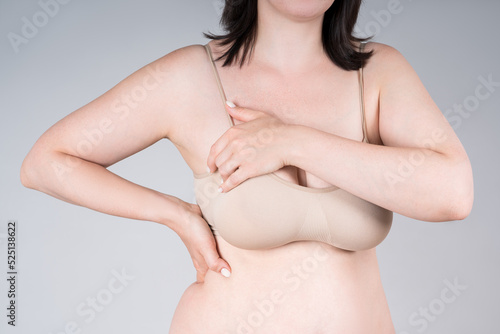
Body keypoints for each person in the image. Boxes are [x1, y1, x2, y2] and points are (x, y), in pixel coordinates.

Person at [20, 0, 474, 332]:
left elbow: (453, 194)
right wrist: (176, 215)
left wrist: (291, 140)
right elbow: (46, 163)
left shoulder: (378, 74)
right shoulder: (190, 78)